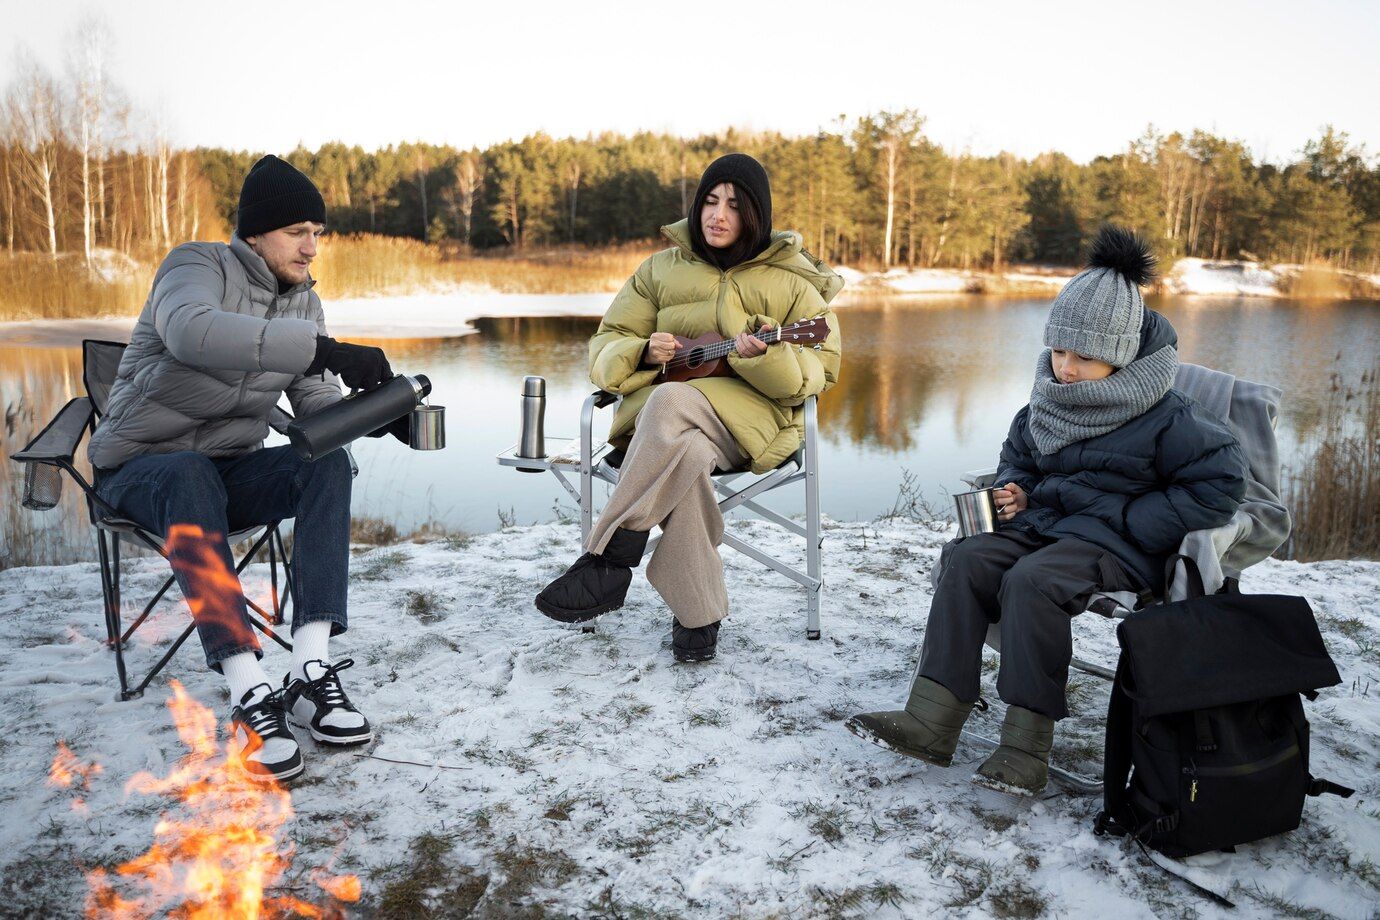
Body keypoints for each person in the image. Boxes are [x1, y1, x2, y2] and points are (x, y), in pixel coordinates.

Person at [845, 226, 1247, 795]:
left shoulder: (1169, 416)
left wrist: (1130, 520)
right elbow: (1019, 457)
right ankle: (930, 721)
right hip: (1046, 526)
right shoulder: (1049, 399)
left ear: (1123, 354)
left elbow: (1220, 486)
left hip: (1115, 548)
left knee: (1032, 582)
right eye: (1059, 350)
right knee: (968, 558)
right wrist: (1015, 489)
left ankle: (1024, 749)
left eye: (1085, 356)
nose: (1066, 368)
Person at [89, 155, 411, 782]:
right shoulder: (193, 267)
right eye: (298, 232)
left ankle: (310, 668)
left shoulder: (304, 306)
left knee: (326, 466)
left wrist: (377, 410)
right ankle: (246, 690)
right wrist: (324, 349)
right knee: (186, 471)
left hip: (226, 478)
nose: (312, 248)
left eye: (318, 233)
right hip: (141, 476)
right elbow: (192, 334)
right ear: (256, 233)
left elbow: (315, 414)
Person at [534, 153, 843, 662]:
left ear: (756, 217)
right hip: (663, 434)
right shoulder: (658, 270)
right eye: (710, 201)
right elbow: (605, 346)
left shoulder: (795, 285)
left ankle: (609, 556)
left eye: (734, 206)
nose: (717, 215)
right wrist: (639, 351)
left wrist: (767, 356)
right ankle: (697, 617)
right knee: (686, 452)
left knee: (671, 399)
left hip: (749, 427)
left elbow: (819, 371)